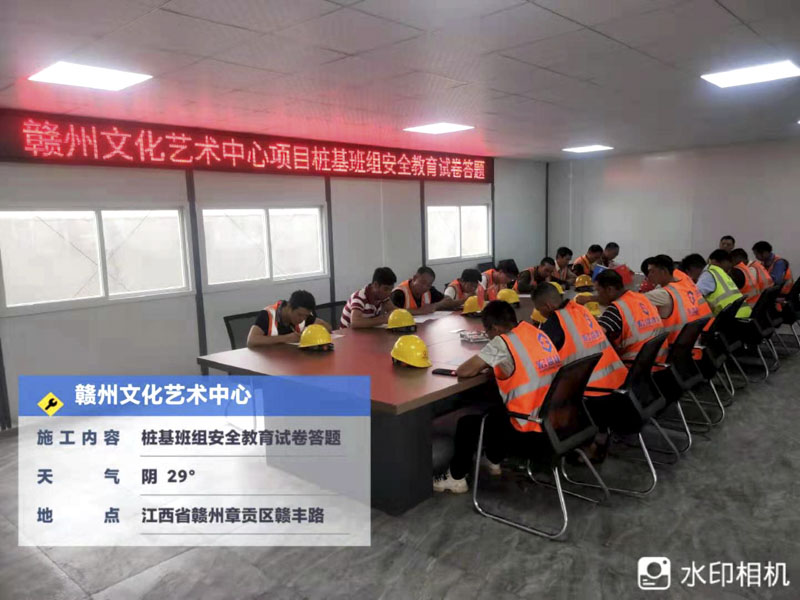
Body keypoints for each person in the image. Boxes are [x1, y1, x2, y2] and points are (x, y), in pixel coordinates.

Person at [433, 300, 562, 493]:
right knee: (496, 410)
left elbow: (465, 371)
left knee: (467, 424)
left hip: (530, 430)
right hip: (554, 419)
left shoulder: (503, 342)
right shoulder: (535, 332)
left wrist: (487, 362)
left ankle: (456, 478)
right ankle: (494, 459)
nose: (488, 336)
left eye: (487, 332)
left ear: (494, 328)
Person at [532, 282, 627, 461]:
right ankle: (597, 439)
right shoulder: (580, 310)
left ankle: (579, 444)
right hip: (619, 384)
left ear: (548, 306)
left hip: (592, 395)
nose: (540, 314)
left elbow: (536, 358)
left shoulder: (555, 323)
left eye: (539, 309)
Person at [594, 270, 665, 363]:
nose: (598, 295)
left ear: (609, 290)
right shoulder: (642, 298)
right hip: (658, 359)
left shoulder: (617, 308)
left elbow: (595, 336)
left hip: (634, 364)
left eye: (598, 291)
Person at [645, 254, 711, 347]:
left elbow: (634, 301)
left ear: (663, 271)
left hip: (673, 344)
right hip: (694, 340)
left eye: (652, 271)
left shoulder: (663, 293)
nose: (649, 275)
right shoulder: (682, 283)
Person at [247, 290, 331, 347]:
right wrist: (286, 338)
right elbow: (251, 340)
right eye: (299, 315)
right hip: (270, 362)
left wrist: (310, 332)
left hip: (294, 360)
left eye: (305, 316)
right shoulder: (268, 314)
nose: (302, 319)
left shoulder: (304, 314)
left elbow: (328, 327)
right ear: (289, 307)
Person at [700, 250, 750, 317]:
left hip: (731, 318)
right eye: (728, 263)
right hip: (745, 314)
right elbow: (697, 295)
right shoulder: (711, 274)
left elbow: (695, 296)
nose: (729, 269)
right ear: (715, 262)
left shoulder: (714, 274)